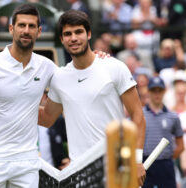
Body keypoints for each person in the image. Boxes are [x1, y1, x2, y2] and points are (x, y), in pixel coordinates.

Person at [0, 4, 109, 187]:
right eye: (21, 25)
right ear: (11, 29)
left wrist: (95, 59)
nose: (26, 30)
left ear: (38, 31)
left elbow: (75, 77)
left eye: (31, 26)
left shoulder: (47, 67)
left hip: (27, 165)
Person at [38, 10, 146, 186]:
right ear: (62, 39)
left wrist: (136, 160)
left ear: (88, 34)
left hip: (117, 169)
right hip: (80, 174)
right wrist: (11, 105)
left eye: (78, 32)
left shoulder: (114, 67)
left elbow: (138, 115)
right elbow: (47, 118)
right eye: (68, 34)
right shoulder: (59, 78)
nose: (73, 38)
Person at [142, 76, 184, 188]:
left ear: (164, 91)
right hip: (145, 164)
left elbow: (181, 145)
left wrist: (168, 157)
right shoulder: (140, 115)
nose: (157, 94)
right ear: (148, 92)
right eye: (154, 91)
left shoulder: (173, 116)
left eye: (159, 91)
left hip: (165, 164)